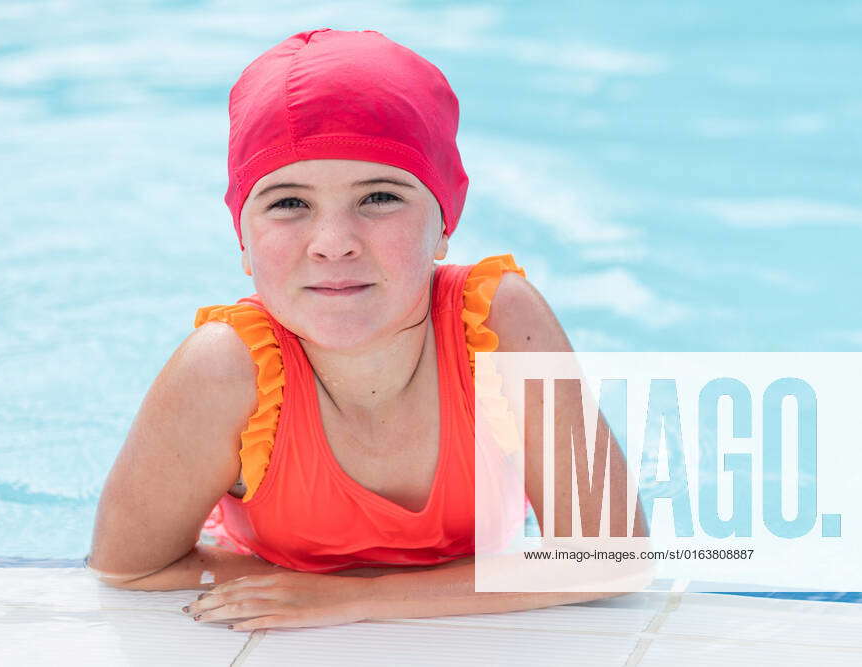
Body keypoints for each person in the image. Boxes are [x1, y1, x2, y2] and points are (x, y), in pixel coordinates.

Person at [87, 28, 646, 631]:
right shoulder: (225, 369)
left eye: (379, 196)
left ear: (444, 226)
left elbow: (612, 556)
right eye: (288, 203)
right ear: (243, 241)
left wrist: (350, 599)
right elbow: (127, 571)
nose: (333, 244)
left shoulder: (497, 322)